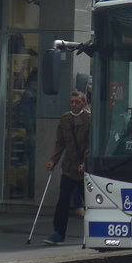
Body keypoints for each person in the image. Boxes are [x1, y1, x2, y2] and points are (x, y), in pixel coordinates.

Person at [43, 91, 91, 245]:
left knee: (90, 203)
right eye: (72, 102)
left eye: (77, 102)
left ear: (83, 103)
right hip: (69, 167)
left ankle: (91, 234)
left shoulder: (89, 119)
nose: (74, 104)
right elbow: (60, 143)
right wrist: (53, 160)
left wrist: (86, 162)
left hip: (84, 169)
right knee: (63, 201)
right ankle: (58, 233)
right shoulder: (65, 119)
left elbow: (91, 143)